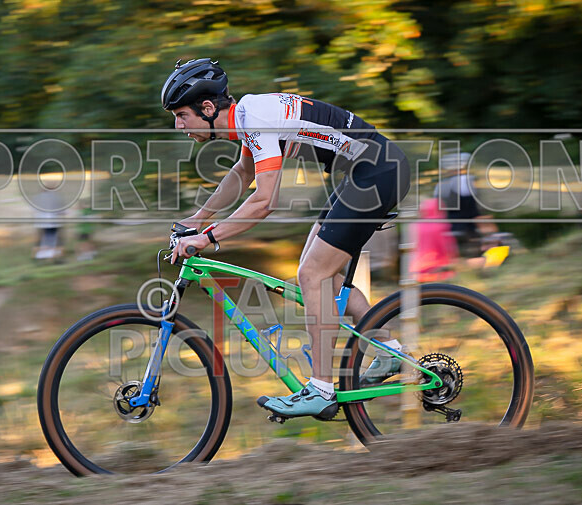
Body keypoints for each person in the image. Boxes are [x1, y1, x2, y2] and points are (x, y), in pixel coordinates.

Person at [162, 58, 410, 419]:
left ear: (208, 108)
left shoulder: (256, 120)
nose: (178, 125)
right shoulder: (248, 116)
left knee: (313, 275)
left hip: (376, 174)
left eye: (181, 115)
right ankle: (390, 351)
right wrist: (198, 219)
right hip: (366, 171)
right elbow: (243, 172)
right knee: (325, 275)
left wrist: (208, 238)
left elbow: (264, 202)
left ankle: (322, 389)